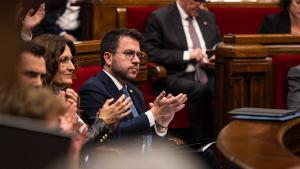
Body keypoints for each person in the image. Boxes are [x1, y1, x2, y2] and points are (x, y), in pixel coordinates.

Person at [79, 28, 187, 152]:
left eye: (139, 55)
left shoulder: (134, 92)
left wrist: (161, 124)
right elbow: (109, 137)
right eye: (129, 53)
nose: (137, 61)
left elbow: (142, 136)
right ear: (108, 58)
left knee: (205, 154)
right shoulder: (93, 89)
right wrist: (153, 113)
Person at [142, 0, 222, 140]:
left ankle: (227, 142)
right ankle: (204, 145)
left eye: (203, 1)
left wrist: (215, 56)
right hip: (176, 74)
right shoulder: (160, 17)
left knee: (227, 87)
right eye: (196, 0)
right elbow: (150, 51)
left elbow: (218, 44)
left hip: (208, 72)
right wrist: (187, 55)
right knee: (200, 91)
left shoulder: (208, 17)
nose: (200, 4)